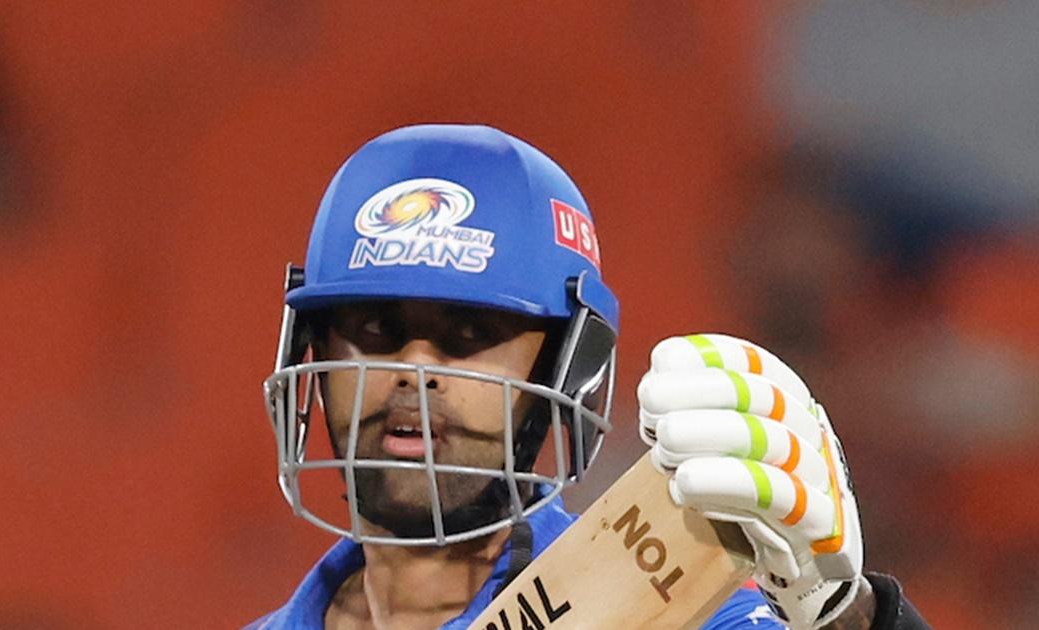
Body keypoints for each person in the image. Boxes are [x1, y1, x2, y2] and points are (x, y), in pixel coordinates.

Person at [248, 124, 929, 629]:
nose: (414, 370)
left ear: (563, 365)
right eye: (375, 329)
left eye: (469, 335)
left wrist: (845, 617)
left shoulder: (661, 605)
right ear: (312, 349)